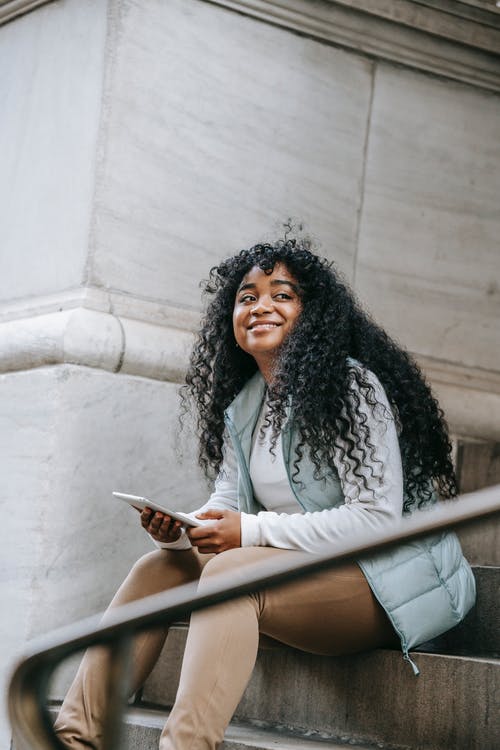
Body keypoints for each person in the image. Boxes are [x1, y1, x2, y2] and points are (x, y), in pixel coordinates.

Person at [55, 239, 476, 749]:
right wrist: (185, 531)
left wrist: (247, 531)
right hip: (297, 572)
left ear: (311, 312)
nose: (260, 307)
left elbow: (376, 521)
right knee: (157, 570)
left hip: (383, 584)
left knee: (233, 574)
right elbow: (229, 502)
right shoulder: (246, 405)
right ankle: (71, 741)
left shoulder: (352, 389)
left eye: (282, 295)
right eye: (246, 297)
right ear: (230, 319)